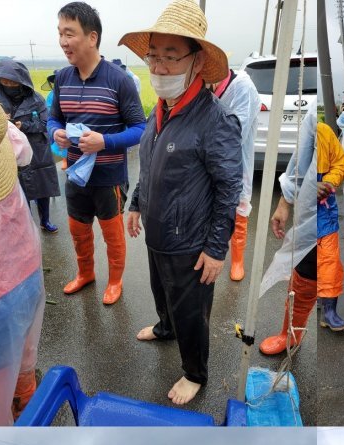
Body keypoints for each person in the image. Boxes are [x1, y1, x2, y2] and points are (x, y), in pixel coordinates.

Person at [122, 0, 242, 406]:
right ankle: (164, 327)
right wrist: (136, 202)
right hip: (157, 232)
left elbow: (229, 187)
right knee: (161, 292)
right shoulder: (160, 109)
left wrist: (216, 249)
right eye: (153, 56)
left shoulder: (215, 120)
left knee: (191, 310)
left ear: (197, 60)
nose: (158, 67)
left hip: (191, 242)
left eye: (170, 56)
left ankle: (195, 372)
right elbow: (150, 160)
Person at [48, 2, 146, 306]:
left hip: (109, 177)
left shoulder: (119, 80)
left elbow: (141, 129)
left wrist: (105, 141)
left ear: (92, 37)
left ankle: (115, 281)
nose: (63, 41)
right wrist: (55, 132)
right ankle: (85, 273)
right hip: (75, 174)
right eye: (60, 34)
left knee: (112, 235)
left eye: (69, 33)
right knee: (78, 231)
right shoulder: (62, 78)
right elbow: (54, 118)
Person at [0, 105, 46, 425]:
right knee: (25, 350)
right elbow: (25, 153)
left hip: (1, 293)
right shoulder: (8, 136)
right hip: (27, 266)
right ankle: (28, 403)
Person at [258, 102, 317, 355]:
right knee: (306, 276)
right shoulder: (315, 114)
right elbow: (301, 156)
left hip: (339, 211)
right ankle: (290, 334)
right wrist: (285, 201)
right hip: (314, 216)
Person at [0, 59, 61, 232]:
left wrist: (24, 125)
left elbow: (46, 123)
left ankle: (45, 220)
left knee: (43, 188)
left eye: (12, 82)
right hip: (9, 152)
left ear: (21, 81)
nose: (8, 85)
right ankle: (26, 226)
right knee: (16, 193)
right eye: (4, 82)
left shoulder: (36, 99)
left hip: (37, 150)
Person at [212, 67, 261, 282]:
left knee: (239, 206)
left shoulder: (242, 87)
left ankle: (238, 260)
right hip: (211, 159)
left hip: (238, 160)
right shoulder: (208, 88)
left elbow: (236, 133)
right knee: (212, 206)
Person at [317, 119, 344, 333]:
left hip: (325, 211)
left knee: (329, 260)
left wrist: (328, 182)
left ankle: (329, 311)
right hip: (303, 214)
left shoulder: (323, 131)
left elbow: (341, 163)